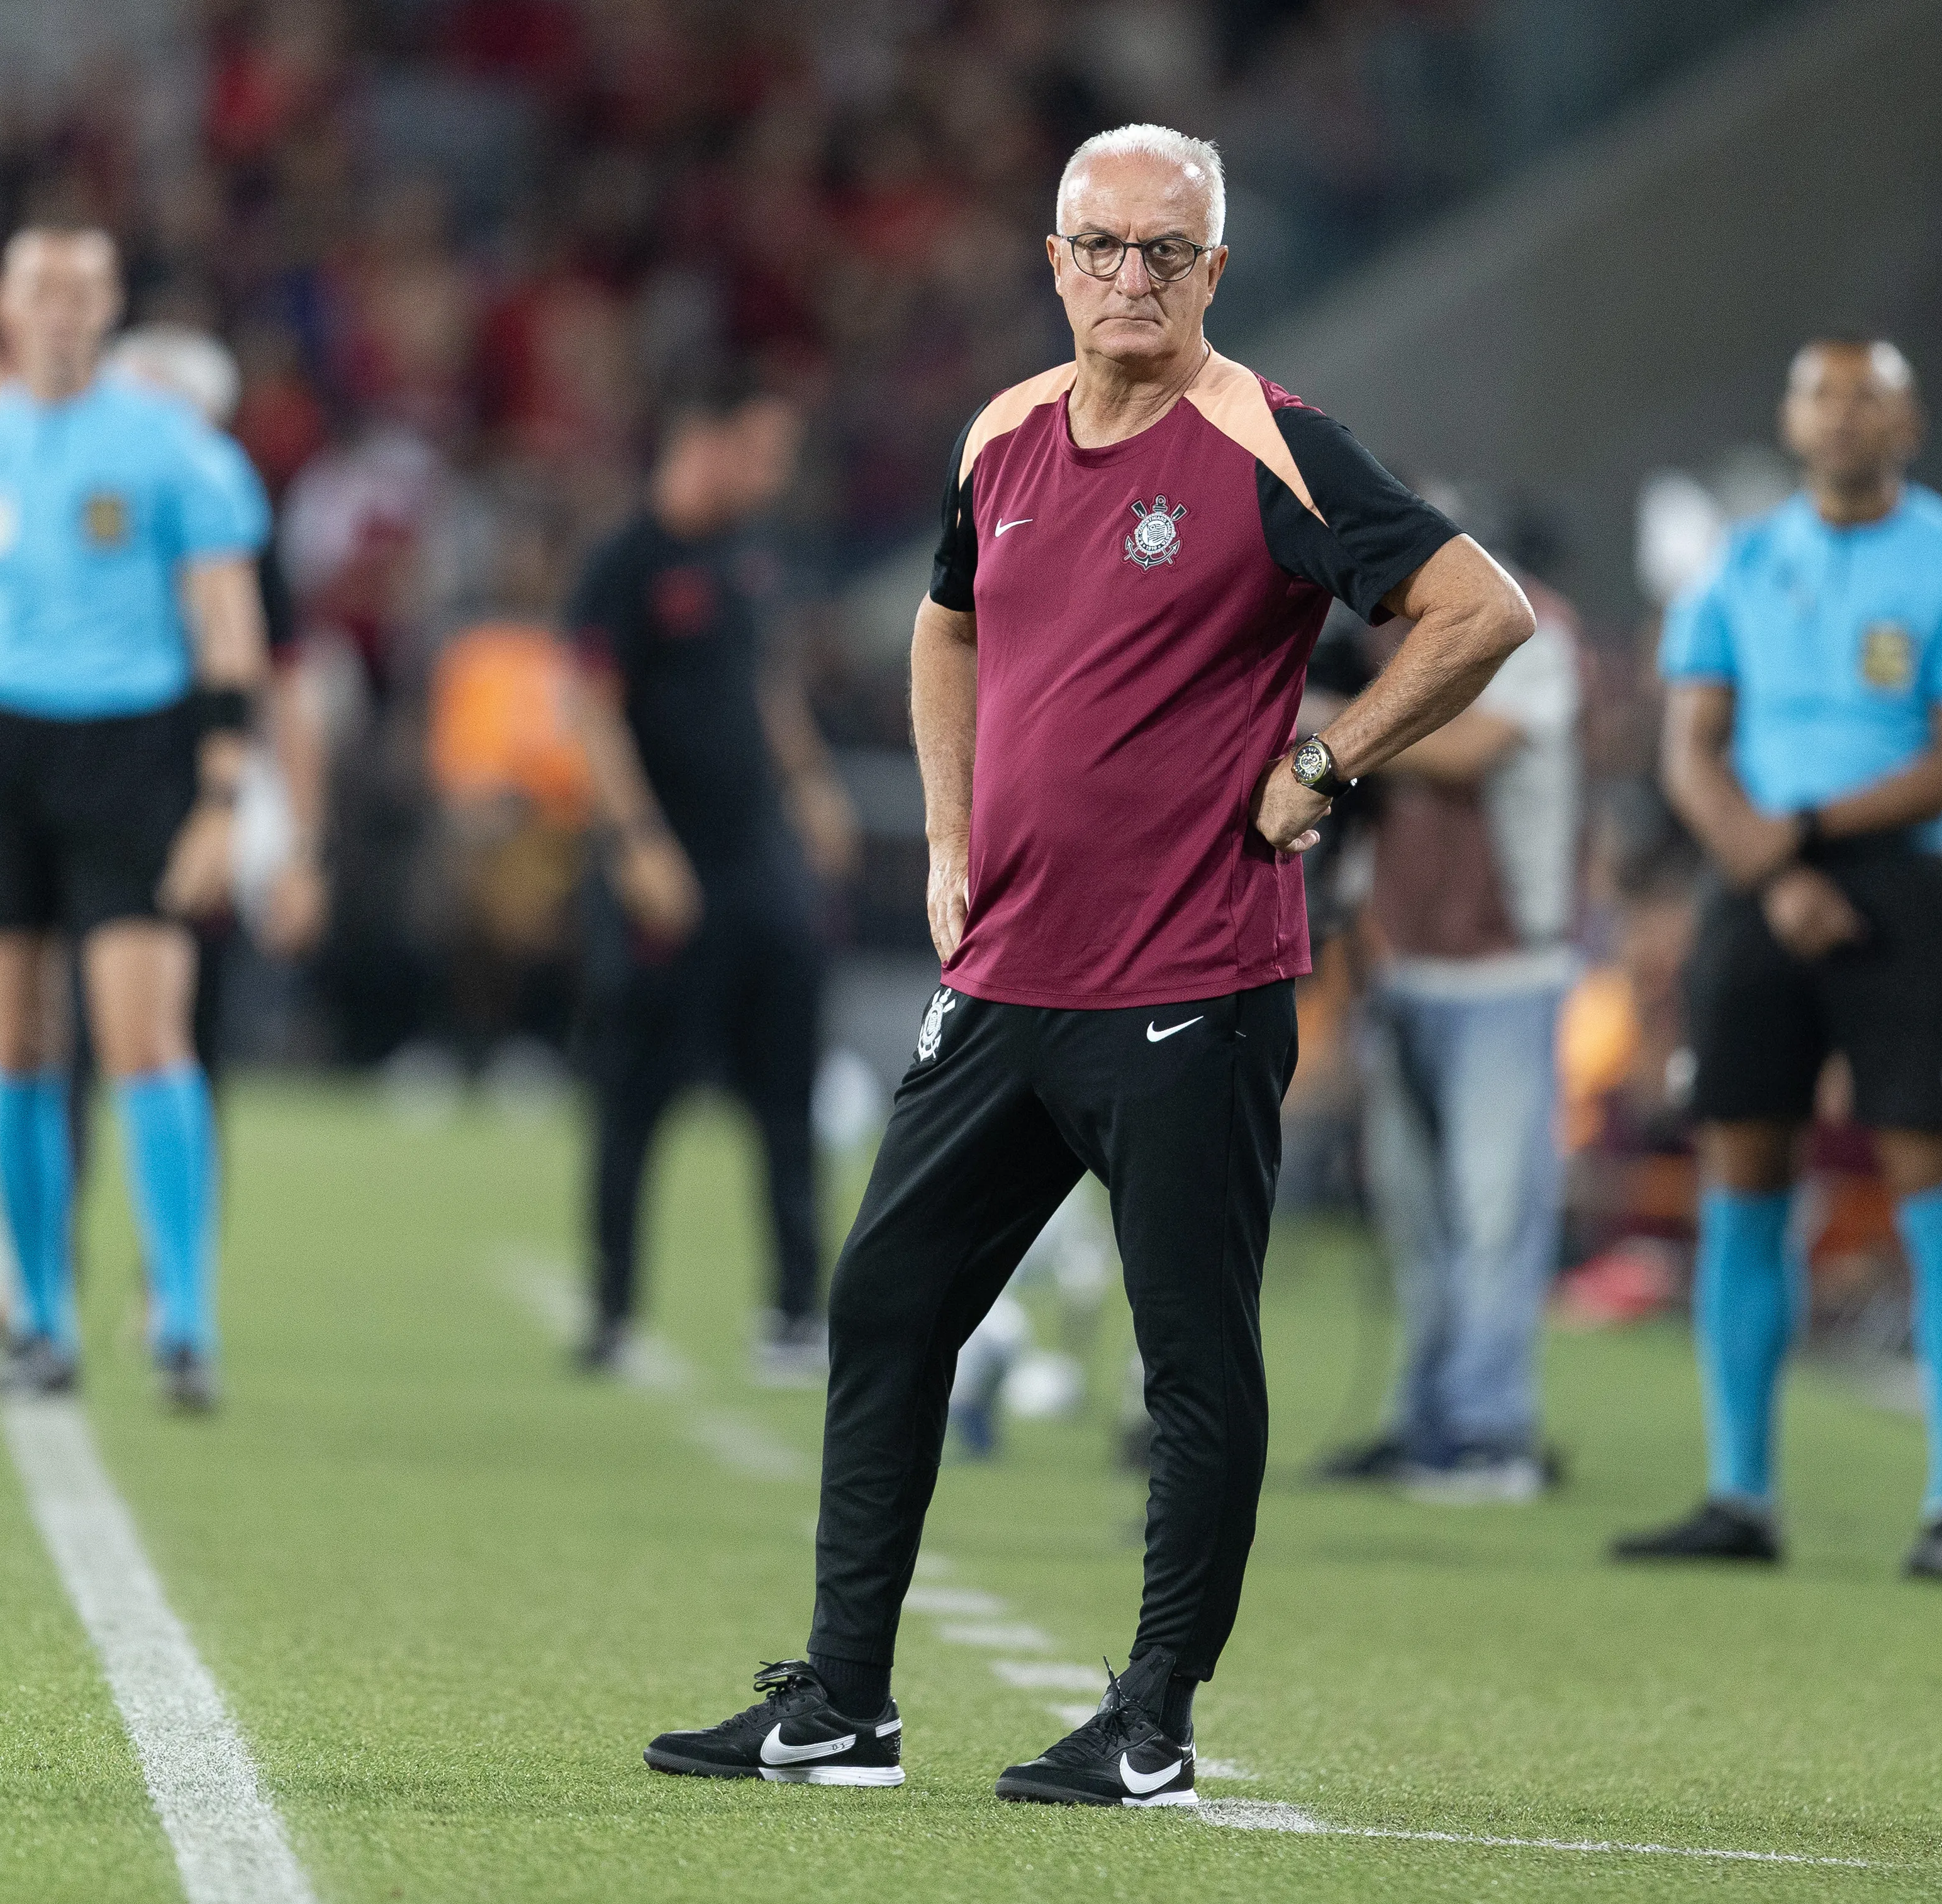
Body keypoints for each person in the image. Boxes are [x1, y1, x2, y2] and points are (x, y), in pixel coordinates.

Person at [640, 124, 1534, 1804]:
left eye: (1167, 253)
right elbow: (947, 621)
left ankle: (1153, 1718)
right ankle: (842, 1701)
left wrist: (1329, 762)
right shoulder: (1000, 433)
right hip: (1005, 974)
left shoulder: (1275, 442)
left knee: (1189, 1354)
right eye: (1104, 248)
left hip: (1192, 980)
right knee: (884, 1305)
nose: (1133, 278)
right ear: (1053, 261)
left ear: (1214, 270)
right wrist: (942, 835)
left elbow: (1479, 610)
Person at [1616, 336, 1942, 1584]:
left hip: (1893, 884)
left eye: (1866, 396)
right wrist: (1773, 871)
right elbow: (1690, 749)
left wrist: (1805, 839)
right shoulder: (1738, 564)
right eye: (1818, 395)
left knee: (1927, 1168)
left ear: (1905, 422)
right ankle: (1740, 1492)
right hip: (1756, 886)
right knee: (1742, 1167)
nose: (1840, 415)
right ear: (1790, 421)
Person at [0, 218, 273, 1411]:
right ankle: (42, 1320)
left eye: (85, 286)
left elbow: (229, 627)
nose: (62, 307)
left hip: (132, 751)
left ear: (110, 304)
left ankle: (183, 1319)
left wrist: (221, 794)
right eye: (42, 285)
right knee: (13, 1048)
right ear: (4, 301)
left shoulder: (169, 450)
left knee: (144, 1038)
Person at [565, 376, 857, 1386]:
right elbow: (592, 707)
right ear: (706, 436)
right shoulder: (625, 561)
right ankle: (610, 1307)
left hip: (755, 862)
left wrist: (810, 783)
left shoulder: (752, 555)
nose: (774, 471)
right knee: (635, 1094)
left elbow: (763, 679)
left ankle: (793, 1310)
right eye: (763, 447)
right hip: (666, 866)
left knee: (788, 1093)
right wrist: (637, 839)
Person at [1320, 576, 1580, 1503]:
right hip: (1405, 969)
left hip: (1505, 971)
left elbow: (1473, 745)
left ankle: (1490, 1431)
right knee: (1419, 1222)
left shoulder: (1535, 632)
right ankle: (1428, 1417)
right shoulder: (1384, 647)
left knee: (1494, 1212)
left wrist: (1336, 735)